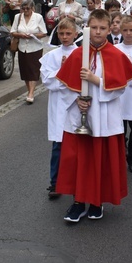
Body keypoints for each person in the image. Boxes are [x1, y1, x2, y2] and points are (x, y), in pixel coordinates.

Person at [55, 8, 132, 222]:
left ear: (110, 29)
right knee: (79, 159)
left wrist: (95, 80)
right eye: (94, 28)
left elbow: (119, 88)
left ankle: (97, 202)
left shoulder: (116, 55)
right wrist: (78, 100)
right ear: (87, 28)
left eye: (102, 28)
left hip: (104, 116)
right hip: (79, 115)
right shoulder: (77, 53)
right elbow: (64, 86)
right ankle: (78, 201)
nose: (98, 32)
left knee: (100, 160)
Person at [39, 18, 78, 200]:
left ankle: (76, 180)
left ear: (75, 34)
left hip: (76, 104)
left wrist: (67, 73)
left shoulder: (81, 54)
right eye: (61, 33)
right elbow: (47, 80)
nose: (64, 37)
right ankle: (55, 182)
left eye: (68, 33)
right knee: (58, 145)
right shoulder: (52, 56)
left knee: (76, 145)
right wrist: (63, 70)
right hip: (58, 104)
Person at [114, 15, 132, 173]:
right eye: (125, 30)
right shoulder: (116, 50)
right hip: (119, 95)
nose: (128, 33)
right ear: (120, 31)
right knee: (120, 129)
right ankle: (119, 158)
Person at [11, 0, 47, 103]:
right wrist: (20, 35)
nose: (25, 10)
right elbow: (12, 32)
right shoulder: (17, 17)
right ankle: (29, 91)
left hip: (35, 48)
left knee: (34, 71)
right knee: (25, 71)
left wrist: (33, 36)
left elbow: (44, 33)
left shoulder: (38, 17)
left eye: (27, 8)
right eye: (23, 8)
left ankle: (31, 93)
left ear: (32, 8)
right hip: (22, 48)